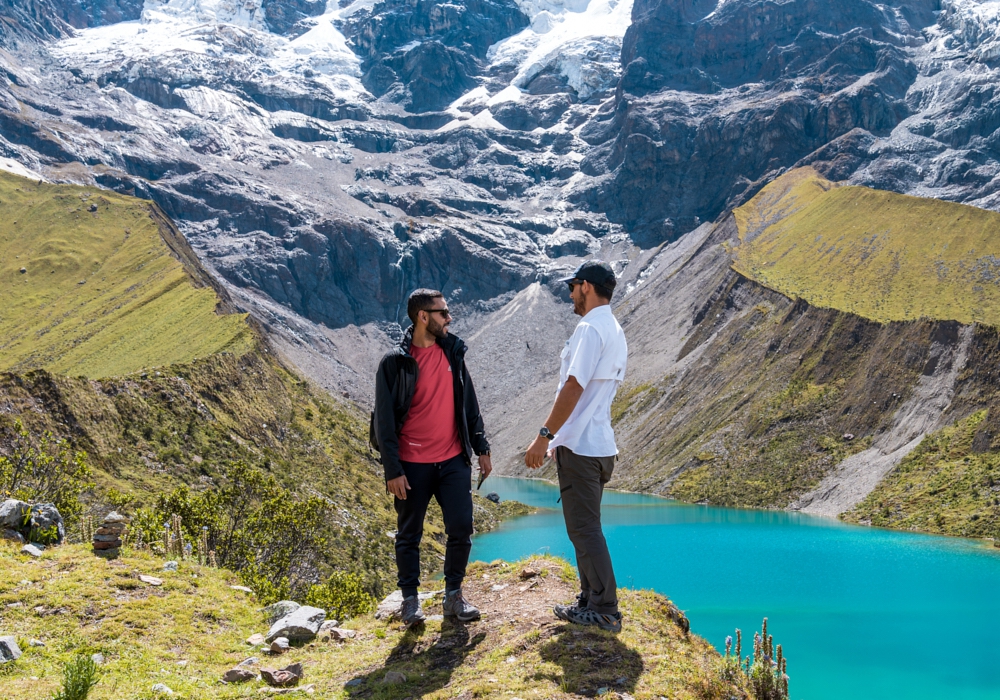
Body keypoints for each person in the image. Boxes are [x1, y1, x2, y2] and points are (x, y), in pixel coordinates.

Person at [373, 288, 492, 626]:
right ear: (423, 316)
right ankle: (410, 601)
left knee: (461, 527)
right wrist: (392, 470)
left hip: (453, 459)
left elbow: (469, 403)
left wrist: (482, 447)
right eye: (442, 313)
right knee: (409, 534)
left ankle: (453, 595)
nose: (449, 318)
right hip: (411, 465)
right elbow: (383, 421)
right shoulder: (395, 362)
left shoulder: (453, 352)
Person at [524, 260, 628, 633]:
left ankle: (604, 608)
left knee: (584, 530)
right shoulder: (614, 328)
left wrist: (544, 436)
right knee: (583, 528)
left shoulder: (589, 328)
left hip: (581, 448)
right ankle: (588, 599)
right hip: (600, 446)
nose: (569, 293)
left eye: (572, 286)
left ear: (586, 286)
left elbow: (573, 386)